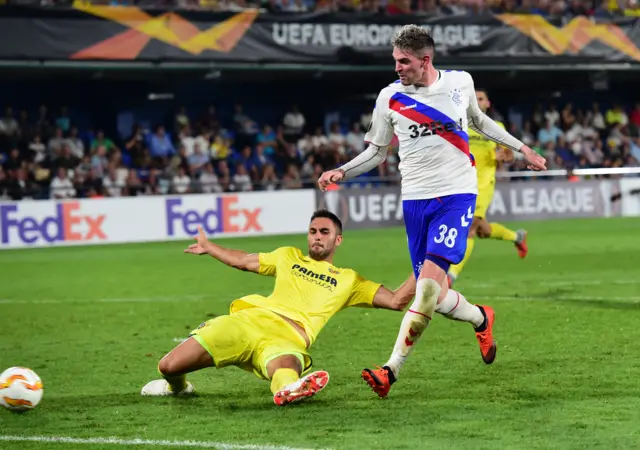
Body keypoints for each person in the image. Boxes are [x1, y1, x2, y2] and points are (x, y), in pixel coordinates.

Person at [318, 25, 546, 398]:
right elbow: (377, 152)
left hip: (457, 196)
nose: (397, 68)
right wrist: (343, 170)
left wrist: (524, 150)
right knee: (435, 296)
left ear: (425, 60)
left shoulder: (460, 83)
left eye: (403, 61)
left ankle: (390, 370)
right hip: (415, 201)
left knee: (423, 291)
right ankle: (480, 317)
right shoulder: (389, 98)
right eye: (394, 61)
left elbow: (480, 121)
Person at [140, 210, 416, 406]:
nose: (317, 237)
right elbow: (245, 261)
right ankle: (177, 389)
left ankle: (290, 389)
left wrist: (430, 262)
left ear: (338, 239)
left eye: (324, 232)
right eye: (313, 231)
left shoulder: (349, 280)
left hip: (287, 339)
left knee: (286, 369)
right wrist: (210, 247)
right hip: (246, 322)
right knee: (168, 365)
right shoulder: (288, 256)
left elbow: (396, 300)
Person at [447, 88, 529, 286]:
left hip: (483, 184)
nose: (476, 101)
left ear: (487, 104)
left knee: (470, 227)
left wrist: (505, 156)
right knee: (482, 230)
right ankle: (517, 237)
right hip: (460, 183)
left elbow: (509, 155)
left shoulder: (495, 126)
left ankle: (450, 276)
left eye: (480, 98)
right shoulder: (459, 125)